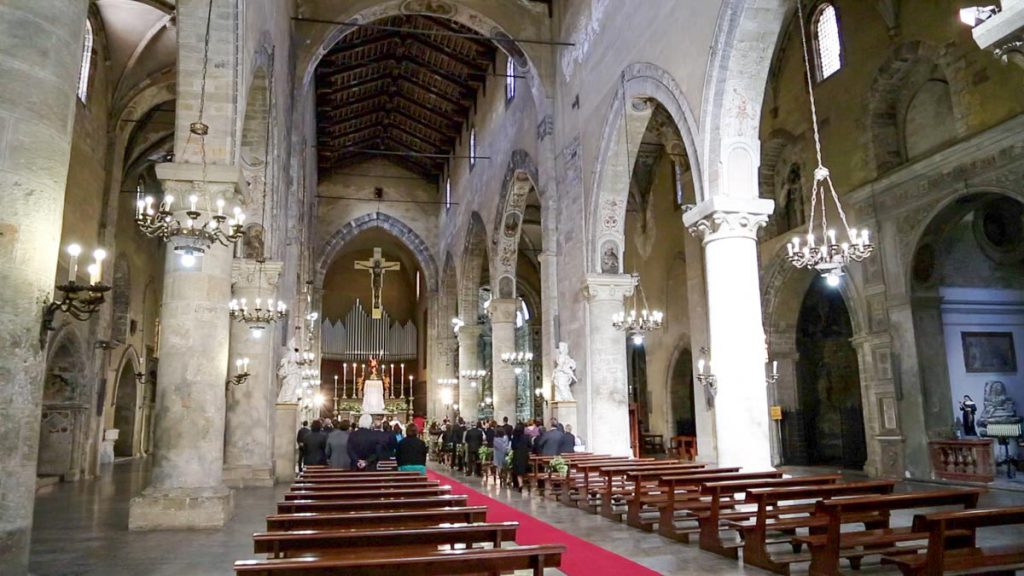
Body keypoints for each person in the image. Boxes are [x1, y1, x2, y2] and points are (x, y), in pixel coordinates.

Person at [510, 423, 530, 490]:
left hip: (517, 454)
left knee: (518, 471)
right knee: (525, 469)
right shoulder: (527, 437)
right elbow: (530, 446)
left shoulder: (514, 437)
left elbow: (512, 447)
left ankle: (520, 484)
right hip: (524, 454)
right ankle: (527, 482)